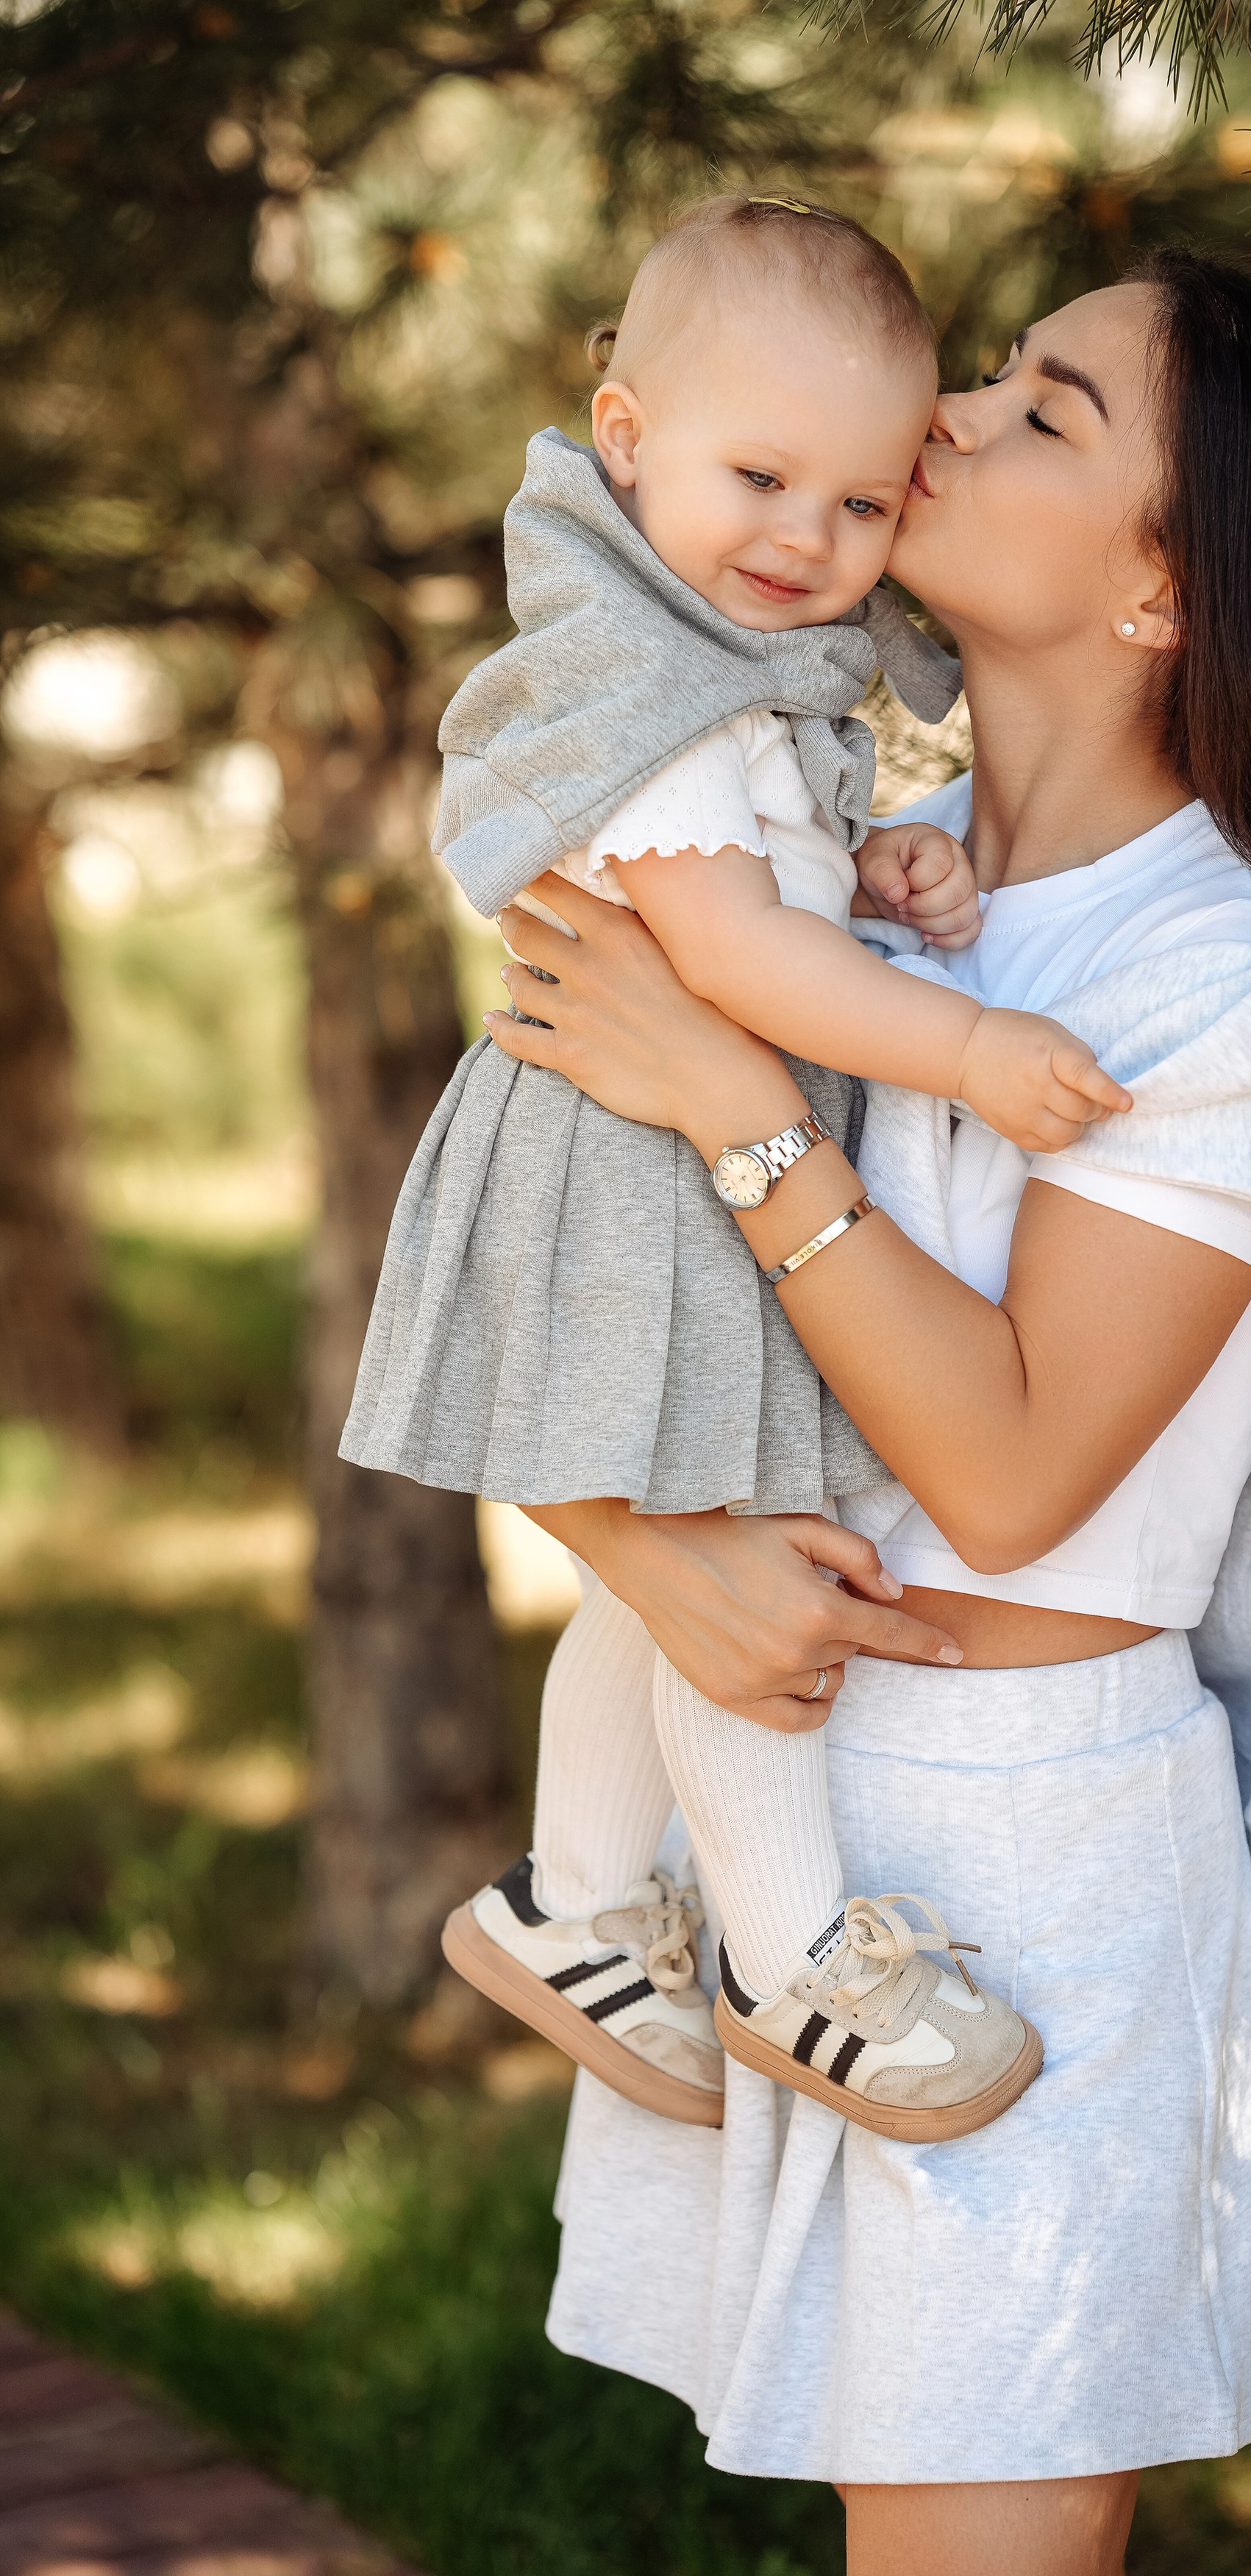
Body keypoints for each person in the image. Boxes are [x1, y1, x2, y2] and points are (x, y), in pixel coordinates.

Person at [481, 252, 1251, 2576]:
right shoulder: (854, 876)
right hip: (784, 1835)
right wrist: (653, 1564)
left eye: (1047, 409)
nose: (948, 415)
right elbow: (547, 1289)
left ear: (1165, 583)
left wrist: (740, 1104)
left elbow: (1016, 1462)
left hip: (1035, 1885)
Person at [342, 195, 1128, 2138]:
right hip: (637, 1169)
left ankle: (577, 1898)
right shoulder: (662, 695)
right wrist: (964, 1038)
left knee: (667, 1573)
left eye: (861, 507)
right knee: (753, 1537)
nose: (807, 538)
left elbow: (780, 890)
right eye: (759, 476)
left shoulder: (725, 667)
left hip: (656, 1148)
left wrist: (880, 873)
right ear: (624, 438)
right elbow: (739, 957)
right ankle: (797, 1968)